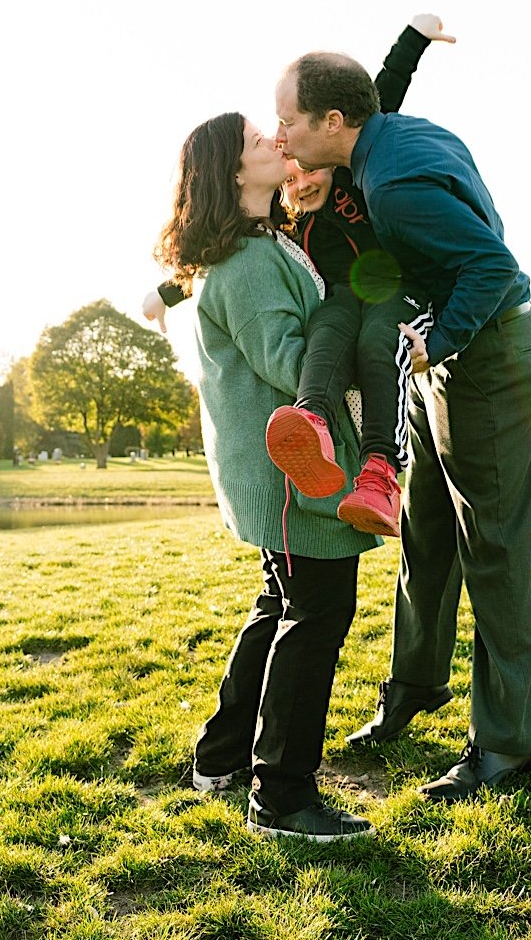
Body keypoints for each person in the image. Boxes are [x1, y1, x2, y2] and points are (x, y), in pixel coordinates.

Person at [273, 33, 531, 803]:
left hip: (489, 361)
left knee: (490, 548)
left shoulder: (392, 182)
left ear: (332, 120)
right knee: (424, 531)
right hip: (448, 365)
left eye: (288, 120)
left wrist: (438, 339)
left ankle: (502, 746)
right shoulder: (386, 135)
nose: (283, 136)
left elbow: (491, 264)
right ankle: (415, 684)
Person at [156, 110, 378, 842]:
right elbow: (290, 366)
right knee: (314, 616)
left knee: (280, 604)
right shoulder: (248, 264)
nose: (275, 142)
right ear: (231, 174)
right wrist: (350, 312)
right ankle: (279, 795)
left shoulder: (256, 243)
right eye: (258, 141)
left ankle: (220, 759)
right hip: (291, 477)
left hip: (273, 474)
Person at [143, 17, 454, 535]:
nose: (303, 181)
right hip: (339, 302)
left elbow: (377, 99)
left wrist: (414, 39)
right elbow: (220, 242)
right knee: (325, 336)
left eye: (311, 170)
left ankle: (380, 474)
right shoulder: (289, 220)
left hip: (393, 293)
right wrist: (164, 293)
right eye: (293, 176)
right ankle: (310, 421)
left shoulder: (355, 181)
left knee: (380, 343)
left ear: (332, 158)